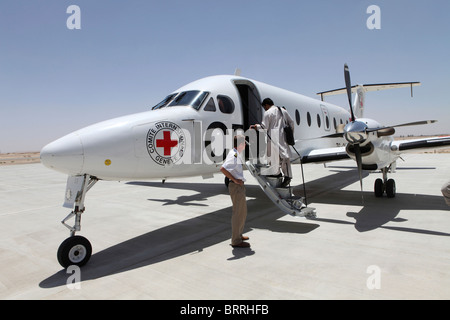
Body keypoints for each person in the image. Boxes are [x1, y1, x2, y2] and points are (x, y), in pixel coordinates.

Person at [250, 98, 295, 188]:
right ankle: (287, 176)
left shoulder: (268, 113)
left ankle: (277, 173)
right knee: (284, 157)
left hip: (273, 137)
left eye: (264, 107)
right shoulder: (283, 110)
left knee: (273, 157)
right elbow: (291, 123)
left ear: (266, 105)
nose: (265, 109)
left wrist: (255, 127)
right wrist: (290, 134)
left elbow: (264, 127)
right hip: (283, 137)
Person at [220, 135, 250, 248]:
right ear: (241, 144)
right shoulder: (234, 155)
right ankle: (236, 240)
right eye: (244, 143)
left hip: (238, 187)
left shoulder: (235, 153)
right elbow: (223, 169)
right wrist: (235, 180)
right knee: (238, 213)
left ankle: (239, 234)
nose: (245, 145)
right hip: (236, 187)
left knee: (242, 212)